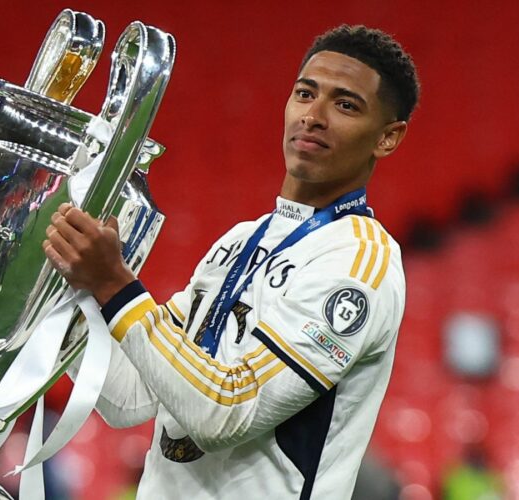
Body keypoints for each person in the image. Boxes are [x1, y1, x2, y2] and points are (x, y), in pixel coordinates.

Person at [44, 24, 419, 499]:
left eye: (345, 105)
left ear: (387, 137)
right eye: (305, 94)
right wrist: (69, 285)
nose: (314, 116)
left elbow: (226, 411)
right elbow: (128, 397)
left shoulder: (360, 262)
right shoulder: (240, 241)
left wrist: (115, 285)